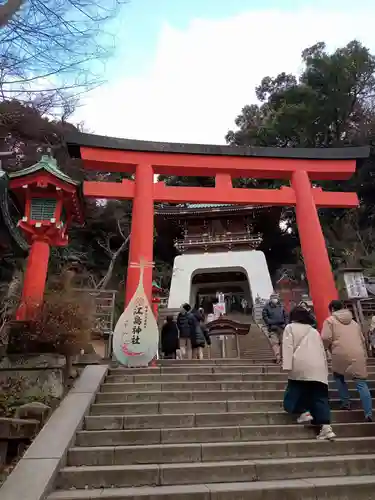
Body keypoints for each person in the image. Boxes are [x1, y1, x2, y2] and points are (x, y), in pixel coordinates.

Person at [282, 306, 335, 440]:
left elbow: (288, 347)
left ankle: (304, 411)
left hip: (300, 365)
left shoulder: (290, 328)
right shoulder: (313, 331)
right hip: (318, 368)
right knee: (320, 397)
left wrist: (287, 366)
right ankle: (326, 428)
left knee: (294, 393)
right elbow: (321, 350)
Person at [321, 300, 372, 422]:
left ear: (332, 309)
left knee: (338, 376)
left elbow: (325, 337)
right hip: (357, 353)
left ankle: (346, 402)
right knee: (361, 383)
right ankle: (368, 413)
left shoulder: (330, 321)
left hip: (340, 352)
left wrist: (325, 347)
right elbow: (362, 338)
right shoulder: (354, 322)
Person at [262, 293, 288, 364]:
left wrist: (285, 324)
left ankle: (283, 357)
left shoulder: (281, 306)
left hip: (282, 327)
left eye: (276, 298)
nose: (275, 299)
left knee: (283, 343)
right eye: (273, 298)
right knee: (274, 343)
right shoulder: (266, 308)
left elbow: (286, 316)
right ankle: (278, 357)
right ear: (270, 299)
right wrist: (275, 322)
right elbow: (266, 318)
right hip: (273, 328)